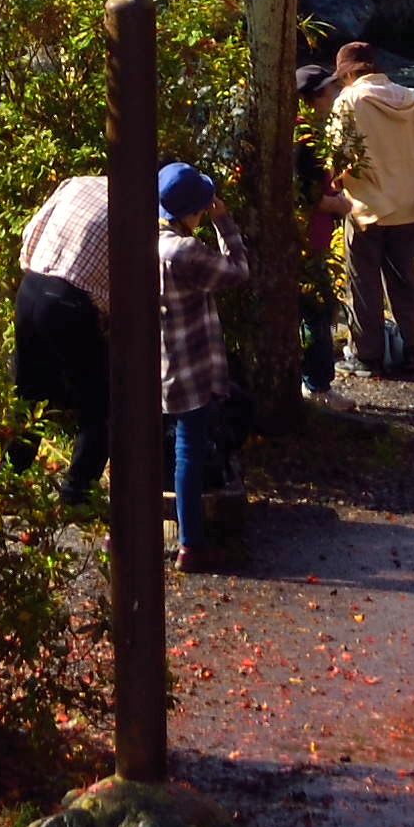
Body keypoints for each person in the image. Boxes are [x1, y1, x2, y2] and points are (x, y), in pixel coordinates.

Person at [323, 40, 414, 380]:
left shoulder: (349, 101)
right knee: (405, 280)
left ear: (348, 73)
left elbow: (336, 152)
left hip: (366, 207)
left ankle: (367, 357)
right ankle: (409, 350)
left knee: (363, 282)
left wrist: (342, 180)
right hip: (408, 204)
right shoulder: (407, 97)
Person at [149, 161, 253, 567]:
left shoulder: (139, 240)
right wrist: (224, 224)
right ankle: (190, 542)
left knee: (145, 447)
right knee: (188, 450)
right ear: (193, 212)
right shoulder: (184, 251)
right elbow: (237, 271)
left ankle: (126, 529)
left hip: (149, 363)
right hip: (189, 365)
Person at [13, 165, 126, 500]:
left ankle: (12, 479)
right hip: (69, 303)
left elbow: (31, 230)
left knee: (29, 392)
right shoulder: (137, 208)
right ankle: (77, 491)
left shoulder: (78, 184)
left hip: (31, 286)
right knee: (100, 402)